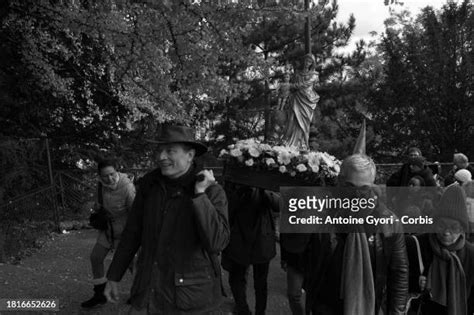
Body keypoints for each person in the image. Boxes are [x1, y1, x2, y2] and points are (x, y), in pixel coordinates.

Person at [103, 125, 230, 314]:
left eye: (170, 151)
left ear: (190, 155)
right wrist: (114, 276)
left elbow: (217, 242)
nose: (161, 157)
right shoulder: (149, 185)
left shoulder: (212, 191)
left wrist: (200, 196)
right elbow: (132, 232)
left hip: (190, 298)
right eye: (159, 150)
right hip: (149, 291)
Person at [305, 154, 408, 314]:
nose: (356, 194)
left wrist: (397, 312)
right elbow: (306, 259)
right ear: (340, 181)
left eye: (364, 188)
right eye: (350, 186)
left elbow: (399, 271)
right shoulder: (322, 214)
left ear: (372, 186)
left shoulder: (388, 222)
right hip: (325, 306)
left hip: (368, 306)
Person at [405, 184, 474, 315]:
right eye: (441, 225)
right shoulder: (416, 244)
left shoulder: (470, 255)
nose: (446, 233)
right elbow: (396, 279)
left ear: (463, 229)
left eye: (454, 227)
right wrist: (414, 282)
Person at [81, 158, 136, 308]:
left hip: (125, 231)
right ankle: (99, 295)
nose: (109, 178)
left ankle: (139, 293)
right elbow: (99, 204)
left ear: (117, 171)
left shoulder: (127, 187)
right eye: (105, 175)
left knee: (132, 264)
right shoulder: (100, 186)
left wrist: (133, 236)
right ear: (99, 176)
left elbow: (135, 213)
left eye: (112, 174)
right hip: (108, 230)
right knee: (96, 257)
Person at [222, 185, 279, 315]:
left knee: (260, 283)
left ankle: (260, 312)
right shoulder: (235, 186)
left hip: (261, 242)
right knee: (237, 279)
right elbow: (228, 209)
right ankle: (243, 310)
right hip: (239, 241)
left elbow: (278, 204)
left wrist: (264, 189)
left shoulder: (265, 189)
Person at [283, 53, 320, 149]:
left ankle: (302, 143)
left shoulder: (314, 75)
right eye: (306, 60)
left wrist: (291, 86)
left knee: (304, 122)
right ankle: (289, 142)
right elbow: (292, 86)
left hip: (307, 100)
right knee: (292, 119)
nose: (307, 63)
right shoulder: (297, 73)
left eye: (310, 61)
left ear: (312, 63)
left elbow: (306, 84)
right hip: (297, 98)